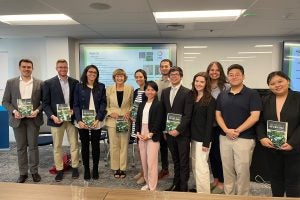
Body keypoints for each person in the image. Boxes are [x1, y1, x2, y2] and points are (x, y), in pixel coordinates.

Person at [215, 64, 262, 195]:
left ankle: (242, 197)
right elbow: (218, 114)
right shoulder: (222, 95)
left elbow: (255, 116)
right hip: (224, 137)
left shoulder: (252, 94)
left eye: (237, 74)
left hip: (244, 138)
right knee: (227, 170)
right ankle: (228, 195)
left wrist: (237, 131)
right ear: (227, 77)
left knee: (242, 171)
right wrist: (226, 130)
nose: (234, 77)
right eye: (231, 74)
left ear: (243, 76)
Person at [256, 71, 300, 197]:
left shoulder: (298, 97)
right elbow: (259, 122)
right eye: (272, 83)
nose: (277, 85)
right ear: (269, 86)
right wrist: (262, 137)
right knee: (276, 179)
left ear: (288, 81)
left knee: (294, 181)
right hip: (272, 148)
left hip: (294, 148)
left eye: (280, 81)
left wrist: (292, 143)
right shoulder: (265, 99)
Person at [2, 58, 43, 183]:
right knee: (20, 147)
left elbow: (44, 102)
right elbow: (5, 101)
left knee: (33, 147)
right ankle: (23, 173)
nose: (26, 69)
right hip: (18, 119)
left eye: (29, 67)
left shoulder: (40, 83)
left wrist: (36, 111)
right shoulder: (11, 82)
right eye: (24, 67)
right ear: (20, 68)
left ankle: (34, 172)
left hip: (33, 119)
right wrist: (14, 111)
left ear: (32, 68)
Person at [42, 59, 79, 182]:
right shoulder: (48, 83)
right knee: (57, 146)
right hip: (56, 120)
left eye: (65, 67)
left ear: (67, 68)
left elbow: (77, 101)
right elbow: (45, 104)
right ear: (56, 68)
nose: (63, 69)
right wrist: (52, 116)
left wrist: (74, 110)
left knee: (74, 144)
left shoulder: (74, 82)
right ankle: (59, 169)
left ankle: (75, 167)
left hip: (71, 119)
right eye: (60, 67)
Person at [161, 66, 193, 192]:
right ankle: (176, 184)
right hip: (169, 133)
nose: (174, 76)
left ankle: (183, 188)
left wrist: (178, 130)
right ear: (169, 77)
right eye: (171, 74)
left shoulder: (188, 92)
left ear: (181, 76)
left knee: (184, 161)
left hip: (182, 134)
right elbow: (164, 113)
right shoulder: (165, 92)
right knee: (175, 160)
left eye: (176, 74)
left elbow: (188, 115)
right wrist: (165, 130)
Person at [73, 65, 107, 180]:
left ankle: (95, 168)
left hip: (96, 121)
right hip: (82, 122)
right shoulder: (78, 86)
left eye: (95, 72)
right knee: (85, 145)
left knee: (96, 146)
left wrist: (98, 118)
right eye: (90, 71)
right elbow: (76, 105)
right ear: (86, 73)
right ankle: (87, 169)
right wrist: (79, 120)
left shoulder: (101, 86)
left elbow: (103, 104)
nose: (92, 74)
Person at [190, 72, 216, 194]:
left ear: (206, 84)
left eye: (202, 81)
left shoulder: (210, 100)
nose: (198, 84)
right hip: (192, 137)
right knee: (195, 165)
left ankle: (204, 194)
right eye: (197, 81)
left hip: (203, 139)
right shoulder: (192, 97)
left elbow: (210, 122)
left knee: (202, 167)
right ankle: (198, 188)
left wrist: (206, 142)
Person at [106, 68, 133, 179]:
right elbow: (106, 106)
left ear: (124, 77)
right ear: (114, 77)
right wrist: (110, 113)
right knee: (114, 146)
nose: (119, 78)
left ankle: (123, 168)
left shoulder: (130, 88)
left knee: (124, 145)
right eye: (117, 76)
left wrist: (129, 111)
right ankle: (116, 168)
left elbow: (132, 104)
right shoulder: (108, 89)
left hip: (125, 121)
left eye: (121, 76)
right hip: (112, 121)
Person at [135, 81, 163, 191]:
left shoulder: (159, 104)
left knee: (151, 162)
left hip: (153, 134)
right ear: (145, 91)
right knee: (144, 160)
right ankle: (147, 182)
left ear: (156, 91)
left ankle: (152, 186)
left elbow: (159, 121)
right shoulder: (142, 104)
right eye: (148, 89)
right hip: (141, 133)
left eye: (152, 90)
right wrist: (138, 132)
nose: (150, 92)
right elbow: (137, 120)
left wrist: (150, 134)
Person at [206, 61, 229, 194]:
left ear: (220, 72)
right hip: (208, 126)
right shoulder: (206, 86)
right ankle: (215, 179)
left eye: (217, 70)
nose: (214, 72)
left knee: (219, 155)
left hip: (221, 126)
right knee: (210, 155)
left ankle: (222, 181)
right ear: (208, 71)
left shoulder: (226, 87)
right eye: (211, 70)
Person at [155, 59, 172, 180]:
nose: (164, 68)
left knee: (175, 146)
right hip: (159, 119)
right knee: (163, 146)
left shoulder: (175, 82)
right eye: (162, 66)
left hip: (172, 119)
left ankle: (180, 171)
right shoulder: (157, 83)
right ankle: (165, 169)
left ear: (171, 67)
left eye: (166, 66)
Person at [131, 69, 147, 185]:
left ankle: (146, 175)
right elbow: (135, 107)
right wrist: (132, 115)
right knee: (139, 150)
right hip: (136, 124)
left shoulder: (149, 89)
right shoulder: (136, 91)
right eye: (136, 77)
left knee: (145, 151)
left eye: (140, 77)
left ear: (145, 77)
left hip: (145, 124)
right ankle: (142, 172)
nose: (138, 79)